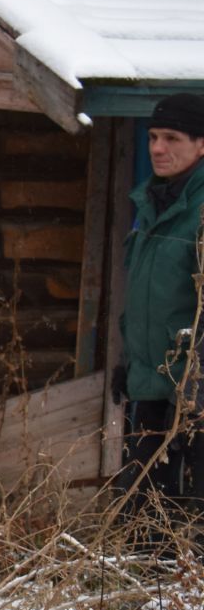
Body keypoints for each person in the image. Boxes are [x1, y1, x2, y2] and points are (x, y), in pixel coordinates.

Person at [112, 93, 204, 511]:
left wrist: (196, 385)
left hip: (192, 393)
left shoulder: (200, 211)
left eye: (171, 137)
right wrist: (130, 363)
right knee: (147, 517)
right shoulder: (153, 203)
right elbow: (154, 297)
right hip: (151, 385)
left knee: (191, 511)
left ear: (201, 144)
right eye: (152, 137)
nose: (157, 148)